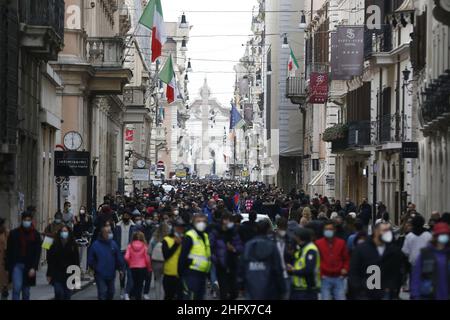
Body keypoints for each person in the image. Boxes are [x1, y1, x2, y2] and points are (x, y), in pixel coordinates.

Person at [348, 221, 404, 300]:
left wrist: (391, 287)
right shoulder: (361, 249)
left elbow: (397, 271)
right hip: (365, 293)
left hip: (385, 292)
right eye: (384, 230)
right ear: (376, 231)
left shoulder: (393, 251)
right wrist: (359, 288)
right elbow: (354, 271)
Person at [240, 220, 287, 300]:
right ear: (268, 230)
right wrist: (282, 289)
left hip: (251, 287)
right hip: (270, 289)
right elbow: (277, 269)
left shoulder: (248, 246)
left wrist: (240, 284)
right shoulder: (272, 246)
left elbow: (242, 266)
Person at [5, 211, 41, 300]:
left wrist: (34, 267)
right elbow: (9, 251)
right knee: (16, 288)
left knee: (26, 291)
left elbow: (37, 253)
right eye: (25, 220)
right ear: (22, 220)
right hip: (17, 264)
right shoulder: (14, 233)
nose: (27, 222)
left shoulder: (35, 235)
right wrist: (8, 267)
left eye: (29, 220)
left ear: (31, 221)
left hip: (29, 266)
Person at [411, 222, 450, 300]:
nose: (444, 236)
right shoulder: (425, 254)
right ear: (435, 236)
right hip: (429, 295)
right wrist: (415, 294)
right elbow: (416, 275)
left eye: (446, 234)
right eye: (442, 234)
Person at [210, 212, 243, 300]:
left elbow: (240, 246)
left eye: (230, 220)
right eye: (227, 220)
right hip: (221, 265)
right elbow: (210, 247)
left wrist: (234, 249)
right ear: (223, 221)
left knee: (234, 292)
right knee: (223, 292)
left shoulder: (234, 232)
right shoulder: (216, 232)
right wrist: (215, 259)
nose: (228, 222)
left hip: (233, 264)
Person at [179, 213, 212, 300]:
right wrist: (182, 275)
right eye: (198, 221)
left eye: (203, 221)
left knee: (200, 296)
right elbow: (182, 256)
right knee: (191, 297)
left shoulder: (205, 236)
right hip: (191, 273)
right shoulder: (190, 236)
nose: (201, 223)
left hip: (202, 273)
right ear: (193, 223)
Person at [88, 226, 125, 300]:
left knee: (111, 292)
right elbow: (90, 259)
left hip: (111, 273)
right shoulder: (95, 245)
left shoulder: (113, 244)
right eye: (108, 232)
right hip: (100, 274)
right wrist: (95, 268)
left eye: (110, 232)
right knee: (102, 292)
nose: (110, 234)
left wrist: (121, 269)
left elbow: (118, 258)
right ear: (103, 234)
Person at [315, 221, 350, 300]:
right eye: (326, 229)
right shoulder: (318, 243)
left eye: (330, 229)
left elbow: (346, 258)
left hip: (339, 277)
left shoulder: (341, 243)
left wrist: (345, 268)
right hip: (324, 277)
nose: (328, 231)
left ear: (334, 230)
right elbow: (317, 260)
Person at [46, 226, 80, 300]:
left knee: (67, 295)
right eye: (62, 231)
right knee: (58, 292)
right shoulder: (54, 244)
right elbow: (50, 260)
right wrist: (49, 274)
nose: (64, 233)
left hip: (70, 273)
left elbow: (76, 261)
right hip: (57, 272)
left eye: (66, 231)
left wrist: (76, 278)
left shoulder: (73, 244)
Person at [287, 228, 321, 300]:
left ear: (300, 237)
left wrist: (293, 271)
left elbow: (308, 270)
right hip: (298, 288)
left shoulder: (310, 250)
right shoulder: (301, 248)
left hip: (307, 289)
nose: (294, 238)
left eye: (296, 236)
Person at [401, 215, 432, 288]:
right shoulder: (428, 235)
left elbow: (405, 251)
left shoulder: (409, 236)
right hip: (426, 264)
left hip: (414, 265)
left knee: (414, 284)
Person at [113, 210, 137, 300]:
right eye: (125, 215)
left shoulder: (134, 227)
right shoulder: (118, 226)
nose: (126, 216)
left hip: (130, 253)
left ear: (130, 217)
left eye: (127, 215)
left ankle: (127, 292)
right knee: (122, 273)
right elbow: (115, 240)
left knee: (130, 274)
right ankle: (122, 288)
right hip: (121, 252)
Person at [124, 231, 152, 300]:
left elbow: (126, 257)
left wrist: (130, 262)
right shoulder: (144, 246)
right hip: (142, 267)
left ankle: (133, 295)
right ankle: (138, 297)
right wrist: (149, 268)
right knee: (140, 284)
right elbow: (147, 259)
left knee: (134, 282)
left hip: (133, 267)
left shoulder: (130, 246)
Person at [162, 219, 185, 300]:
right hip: (170, 274)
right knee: (169, 296)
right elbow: (166, 255)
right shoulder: (166, 240)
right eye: (178, 228)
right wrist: (176, 244)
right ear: (173, 228)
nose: (180, 230)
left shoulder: (186, 239)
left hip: (182, 275)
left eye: (181, 228)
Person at [149, 216, 171, 300]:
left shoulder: (154, 238)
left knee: (157, 281)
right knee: (166, 281)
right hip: (166, 261)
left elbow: (149, 250)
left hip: (156, 262)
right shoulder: (169, 238)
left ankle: (158, 298)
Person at [0, 218, 9, 300]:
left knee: (4, 282)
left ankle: (4, 294)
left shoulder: (6, 233)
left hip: (3, 261)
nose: (3, 226)